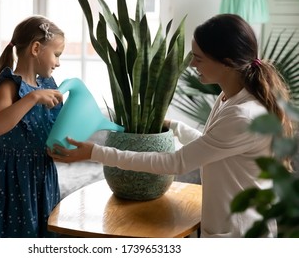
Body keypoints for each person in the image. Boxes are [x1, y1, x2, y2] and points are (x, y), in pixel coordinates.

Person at [48, 14, 293, 238]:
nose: (192, 65)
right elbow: (210, 145)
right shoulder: (229, 97)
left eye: (198, 58)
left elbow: (173, 163)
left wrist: (94, 152)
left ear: (227, 63)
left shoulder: (243, 116)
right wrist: (173, 125)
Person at [0, 15, 65, 238]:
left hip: (43, 176)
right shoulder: (9, 85)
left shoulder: (47, 86)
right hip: (12, 178)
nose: (58, 62)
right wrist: (33, 98)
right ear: (36, 48)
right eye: (56, 55)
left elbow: (53, 133)